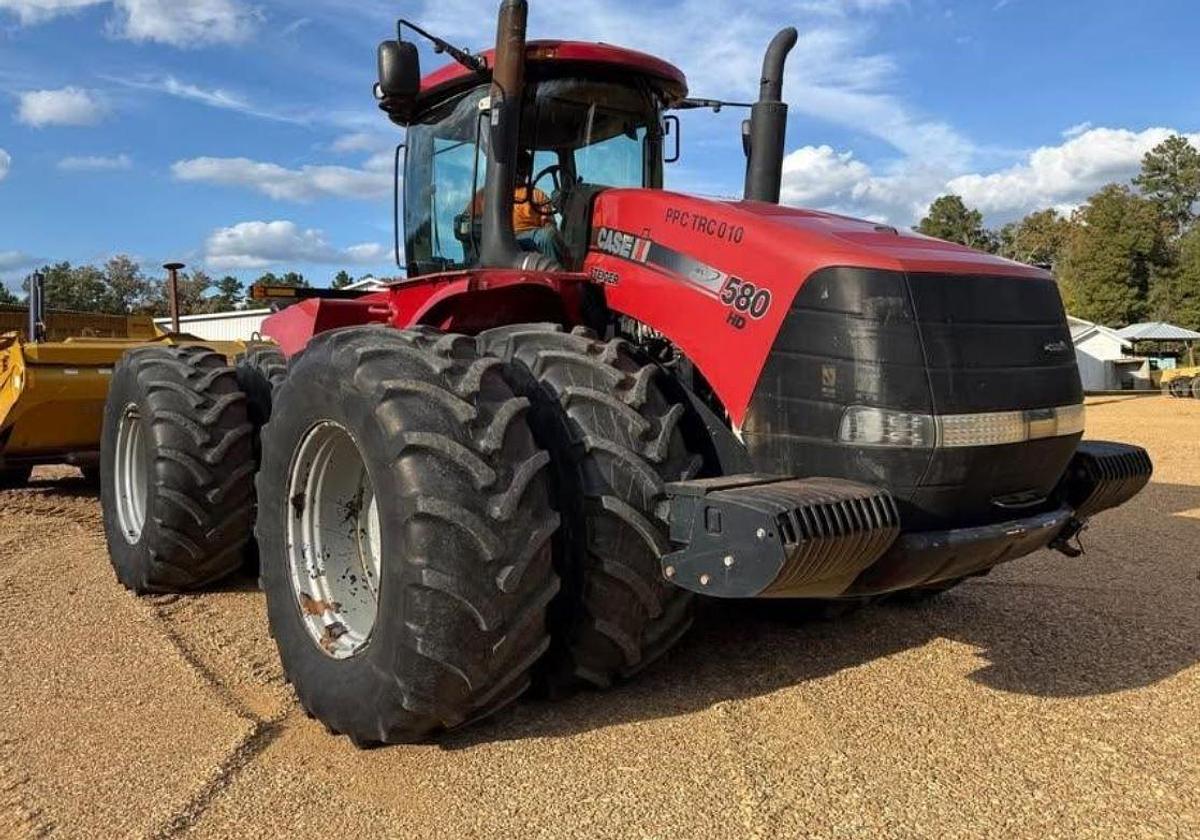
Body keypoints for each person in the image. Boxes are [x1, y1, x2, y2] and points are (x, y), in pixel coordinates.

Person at [469, 149, 562, 262]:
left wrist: (550, 230)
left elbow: (549, 226)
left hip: (531, 238)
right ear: (506, 169)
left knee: (549, 236)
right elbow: (468, 220)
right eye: (517, 167)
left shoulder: (537, 195)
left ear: (528, 171)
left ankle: (554, 272)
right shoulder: (485, 195)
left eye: (523, 168)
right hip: (498, 237)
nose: (519, 172)